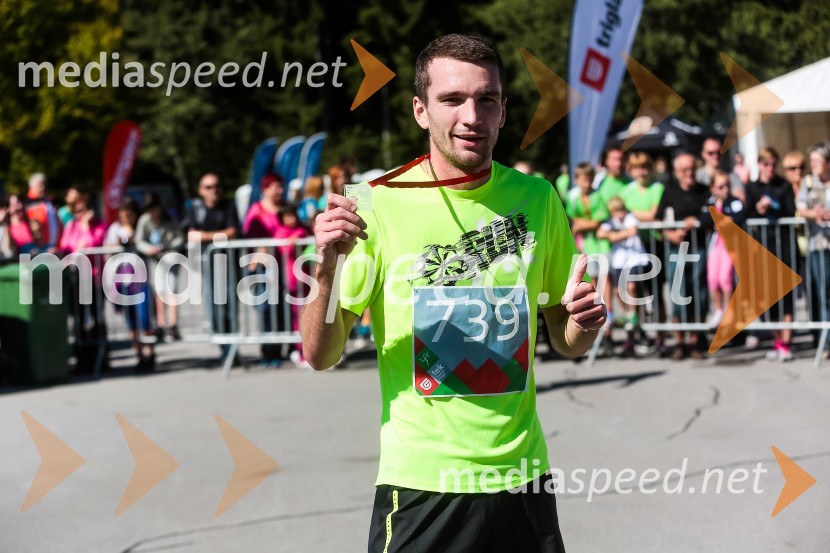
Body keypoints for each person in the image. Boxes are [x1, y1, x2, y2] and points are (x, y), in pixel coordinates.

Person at [300, 33, 605, 552]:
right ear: (420, 111)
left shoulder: (537, 198)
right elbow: (319, 354)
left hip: (522, 480)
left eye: (487, 99)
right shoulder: (373, 203)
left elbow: (566, 341)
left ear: (504, 111)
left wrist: (582, 322)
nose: (472, 117)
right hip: (423, 486)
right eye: (452, 99)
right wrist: (327, 268)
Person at [656, 153, 710, 360]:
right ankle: (679, 342)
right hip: (675, 250)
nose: (689, 174)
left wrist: (696, 220)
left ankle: (695, 341)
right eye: (684, 170)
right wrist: (670, 234)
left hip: (698, 248)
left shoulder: (704, 191)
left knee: (699, 293)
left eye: (692, 169)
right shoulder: (669, 191)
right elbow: (658, 220)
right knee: (678, 294)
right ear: (677, 172)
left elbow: (713, 214)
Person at [183, 173, 240, 362]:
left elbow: (232, 232)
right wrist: (219, 236)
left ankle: (232, 350)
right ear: (201, 190)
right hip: (208, 267)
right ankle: (225, 348)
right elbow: (192, 235)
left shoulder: (229, 205)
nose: (213, 190)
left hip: (229, 265)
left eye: (216, 186)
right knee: (215, 311)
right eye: (208, 187)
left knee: (230, 310)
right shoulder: (196, 208)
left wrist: (205, 236)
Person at [745, 147, 796, 361]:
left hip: (783, 246)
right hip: (762, 247)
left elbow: (790, 212)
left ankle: (786, 343)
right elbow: (747, 212)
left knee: (786, 296)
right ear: (759, 165)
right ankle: (777, 341)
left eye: (773, 164)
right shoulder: (752, 187)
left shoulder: (784, 185)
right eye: (766, 164)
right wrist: (758, 209)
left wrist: (772, 207)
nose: (770, 168)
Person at [242, 173, 291, 366]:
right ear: (265, 188)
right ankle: (268, 352)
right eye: (276, 187)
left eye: (281, 186)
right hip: (263, 268)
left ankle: (284, 349)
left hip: (286, 266)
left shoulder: (286, 208)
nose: (280, 190)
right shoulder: (257, 210)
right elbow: (249, 238)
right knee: (266, 310)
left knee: (283, 308)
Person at [565, 162, 613, 352]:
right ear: (577, 180)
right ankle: (595, 327)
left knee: (604, 281)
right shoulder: (573, 197)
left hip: (600, 244)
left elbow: (597, 221)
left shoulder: (598, 196)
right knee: (591, 283)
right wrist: (582, 224)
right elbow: (573, 219)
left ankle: (608, 323)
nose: (586, 183)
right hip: (585, 245)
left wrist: (581, 225)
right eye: (582, 180)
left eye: (589, 180)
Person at [105, 198, 156, 370]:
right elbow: (108, 250)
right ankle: (139, 354)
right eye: (123, 216)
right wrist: (117, 244)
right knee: (132, 322)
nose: (126, 219)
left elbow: (149, 246)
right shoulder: (115, 229)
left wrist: (135, 240)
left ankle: (151, 353)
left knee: (145, 319)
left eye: (129, 216)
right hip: (123, 282)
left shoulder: (141, 228)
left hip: (140, 281)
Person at [597, 197, 648, 357]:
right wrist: (619, 235)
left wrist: (614, 236)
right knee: (617, 291)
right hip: (619, 260)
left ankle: (632, 313)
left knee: (631, 286)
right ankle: (628, 313)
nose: (619, 215)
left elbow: (633, 231)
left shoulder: (630, 217)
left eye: (621, 211)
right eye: (616, 212)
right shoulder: (610, 221)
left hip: (634, 257)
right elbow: (600, 233)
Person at [136, 193, 185, 345]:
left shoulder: (170, 218)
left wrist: (169, 246)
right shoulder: (145, 220)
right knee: (159, 292)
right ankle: (161, 324)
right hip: (155, 261)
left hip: (170, 258)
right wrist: (149, 249)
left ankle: (173, 325)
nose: (151, 212)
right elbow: (139, 240)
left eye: (153, 208)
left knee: (171, 291)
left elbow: (180, 237)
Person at [699, 171, 745, 328]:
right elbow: (703, 219)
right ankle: (718, 310)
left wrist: (727, 220)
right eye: (720, 187)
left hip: (730, 245)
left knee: (725, 278)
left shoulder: (733, 201)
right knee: (713, 278)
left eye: (727, 186)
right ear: (713, 188)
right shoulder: (710, 203)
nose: (725, 189)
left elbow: (740, 215)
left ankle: (729, 311)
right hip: (716, 244)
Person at [796, 142, 830, 333]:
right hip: (819, 244)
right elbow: (801, 209)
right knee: (823, 292)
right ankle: (826, 338)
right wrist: (815, 213)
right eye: (812, 160)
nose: (813, 164)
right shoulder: (808, 182)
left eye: (818, 160)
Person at [24, 172, 61, 253]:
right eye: (40, 185)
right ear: (32, 187)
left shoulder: (50, 202)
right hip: (38, 249)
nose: (43, 188)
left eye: (44, 185)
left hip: (54, 247)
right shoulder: (27, 204)